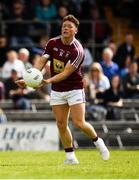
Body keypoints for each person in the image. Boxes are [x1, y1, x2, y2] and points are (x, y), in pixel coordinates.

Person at [16, 14, 110, 165]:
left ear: (75, 31)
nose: (65, 28)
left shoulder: (78, 51)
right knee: (61, 124)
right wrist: (29, 79)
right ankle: (70, 157)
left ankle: (98, 142)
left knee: (79, 123)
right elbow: (41, 62)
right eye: (64, 26)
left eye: (69, 26)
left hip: (74, 88)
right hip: (57, 90)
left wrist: (45, 81)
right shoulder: (52, 43)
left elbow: (65, 74)